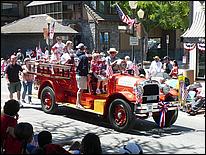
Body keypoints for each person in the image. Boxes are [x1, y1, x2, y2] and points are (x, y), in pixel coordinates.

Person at [75, 43, 89, 109]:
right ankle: (78, 104)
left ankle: (78, 103)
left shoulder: (77, 56)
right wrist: (87, 74)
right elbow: (85, 67)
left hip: (78, 73)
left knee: (80, 89)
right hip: (82, 75)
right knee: (81, 89)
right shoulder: (84, 57)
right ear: (84, 49)